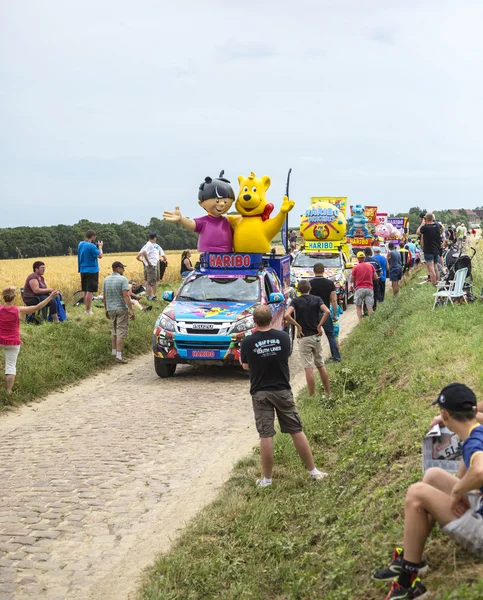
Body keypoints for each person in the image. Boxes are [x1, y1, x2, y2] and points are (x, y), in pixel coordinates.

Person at [373, 383, 483, 599]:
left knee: (417, 492)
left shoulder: (473, 443)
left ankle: (408, 580)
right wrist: (459, 485)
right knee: (432, 476)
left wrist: (457, 491)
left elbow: (479, 470)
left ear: (444, 414)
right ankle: (413, 558)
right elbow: (469, 463)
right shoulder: (476, 431)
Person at [240, 305, 327, 487]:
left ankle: (267, 479)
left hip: (260, 392)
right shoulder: (282, 337)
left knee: (266, 435)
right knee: (296, 430)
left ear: (254, 322)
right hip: (282, 389)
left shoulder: (247, 342)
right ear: (271, 319)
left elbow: (245, 366)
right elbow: (285, 355)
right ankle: (313, 471)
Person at [0, 286, 59, 393]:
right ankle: (8, 391)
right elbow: (37, 307)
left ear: (3, 297)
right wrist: (50, 297)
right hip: (13, 342)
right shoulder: (19, 310)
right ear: (14, 298)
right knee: (10, 366)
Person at [285, 280, 331, 396]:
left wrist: (298, 326)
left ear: (298, 290)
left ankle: (311, 395)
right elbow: (327, 311)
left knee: (308, 368)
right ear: (310, 288)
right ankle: (328, 392)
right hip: (316, 336)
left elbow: (286, 315)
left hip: (303, 337)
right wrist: (319, 325)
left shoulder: (295, 301)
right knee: (320, 365)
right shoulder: (317, 299)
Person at [102, 262, 135, 364]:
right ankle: (119, 356)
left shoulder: (106, 280)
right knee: (121, 331)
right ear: (117, 268)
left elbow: (104, 296)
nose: (123, 270)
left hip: (111, 308)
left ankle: (113, 352)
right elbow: (126, 295)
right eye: (122, 268)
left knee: (114, 330)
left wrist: (106, 309)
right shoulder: (123, 279)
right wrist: (131, 309)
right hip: (121, 308)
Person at [309, 263, 341, 362]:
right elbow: (334, 300)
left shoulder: (309, 284)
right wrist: (335, 314)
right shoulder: (330, 284)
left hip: (313, 314)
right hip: (325, 312)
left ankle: (315, 359)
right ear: (324, 270)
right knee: (330, 335)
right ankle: (336, 357)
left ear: (313, 271)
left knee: (312, 336)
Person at [77, 230, 103, 314]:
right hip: (92, 270)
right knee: (90, 291)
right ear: (92, 236)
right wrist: (100, 247)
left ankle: (86, 308)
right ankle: (88, 310)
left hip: (83, 269)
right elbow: (100, 255)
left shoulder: (80, 244)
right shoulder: (92, 246)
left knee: (85, 290)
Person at [350, 251, 378, 322]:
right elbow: (376, 277)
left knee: (358, 306)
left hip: (359, 289)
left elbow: (352, 280)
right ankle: (372, 321)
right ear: (364, 258)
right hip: (369, 288)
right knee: (369, 306)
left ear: (358, 258)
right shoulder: (370, 266)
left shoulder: (355, 268)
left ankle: (361, 322)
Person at [416, 213, 442, 285]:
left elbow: (417, 232)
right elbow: (442, 228)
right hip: (436, 249)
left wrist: (422, 224)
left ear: (426, 219)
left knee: (431, 269)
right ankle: (438, 282)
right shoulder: (437, 225)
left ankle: (434, 284)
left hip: (428, 250)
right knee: (435, 267)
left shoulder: (426, 227)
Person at [136, 233, 160, 300]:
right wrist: (149, 262)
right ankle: (150, 296)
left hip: (148, 266)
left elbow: (138, 256)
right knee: (151, 282)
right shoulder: (150, 245)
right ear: (155, 238)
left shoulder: (146, 245)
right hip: (151, 266)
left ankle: (150, 295)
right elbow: (144, 252)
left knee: (148, 281)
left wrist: (144, 261)